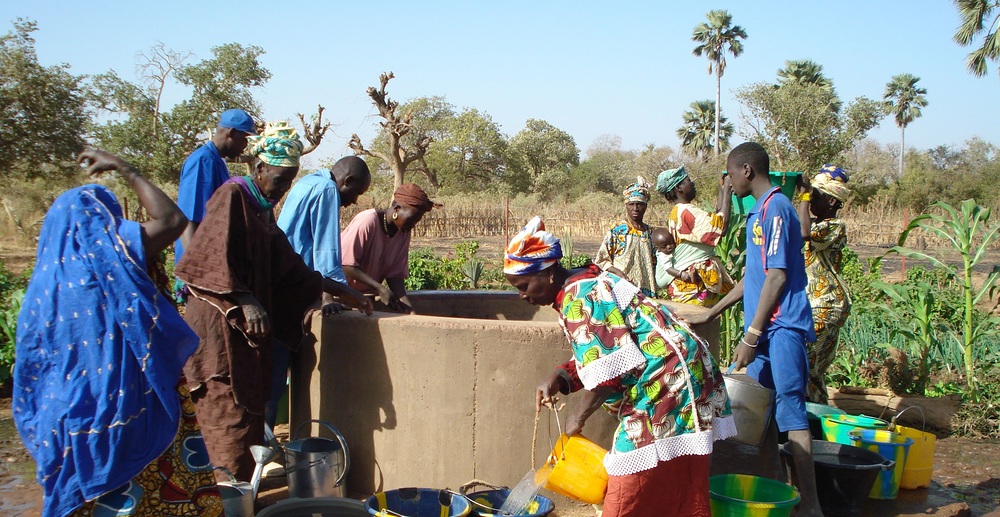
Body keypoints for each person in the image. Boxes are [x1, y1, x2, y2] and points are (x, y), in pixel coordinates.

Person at [14, 150, 222, 517]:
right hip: (132, 407)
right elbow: (173, 220)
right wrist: (126, 168)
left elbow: (34, 368)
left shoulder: (43, 289)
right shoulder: (114, 256)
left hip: (72, 420)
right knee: (151, 491)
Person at [175, 122, 373, 482]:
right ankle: (224, 491)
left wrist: (343, 290)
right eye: (279, 179)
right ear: (260, 168)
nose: (282, 190)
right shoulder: (232, 197)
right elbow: (205, 260)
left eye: (289, 182)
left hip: (245, 333)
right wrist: (245, 298)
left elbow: (291, 269)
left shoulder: (261, 210)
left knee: (247, 412)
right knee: (225, 412)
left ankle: (241, 490)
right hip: (218, 327)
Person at [507, 216, 735, 517]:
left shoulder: (579, 297)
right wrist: (560, 378)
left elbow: (609, 374)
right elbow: (611, 349)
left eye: (524, 286)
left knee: (630, 475)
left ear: (548, 273)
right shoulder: (586, 279)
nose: (522, 296)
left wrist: (578, 418)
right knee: (677, 471)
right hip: (688, 367)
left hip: (667, 377)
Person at [687, 142, 823, 517]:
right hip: (765, 330)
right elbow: (754, 277)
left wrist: (751, 336)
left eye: (730, 174)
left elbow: (777, 278)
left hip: (782, 328)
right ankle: (777, 496)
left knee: (791, 415)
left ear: (746, 170)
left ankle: (811, 506)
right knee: (763, 419)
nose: (729, 182)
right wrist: (712, 312)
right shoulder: (759, 212)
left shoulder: (776, 208)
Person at [269, 155, 373, 428]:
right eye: (356, 192)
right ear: (346, 181)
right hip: (287, 289)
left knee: (270, 376)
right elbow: (326, 249)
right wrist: (336, 294)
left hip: (278, 279)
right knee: (274, 378)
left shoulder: (309, 181)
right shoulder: (327, 190)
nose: (354, 201)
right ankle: (259, 456)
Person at [174, 109, 257, 299]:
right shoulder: (202, 161)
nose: (244, 147)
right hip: (198, 268)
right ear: (230, 133)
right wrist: (196, 271)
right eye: (244, 139)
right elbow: (189, 219)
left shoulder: (216, 161)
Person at [341, 183, 441, 313]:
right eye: (412, 219)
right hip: (339, 295)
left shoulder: (403, 231)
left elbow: (395, 275)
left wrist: (407, 308)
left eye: (417, 221)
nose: (413, 225)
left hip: (364, 297)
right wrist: (379, 288)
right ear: (397, 208)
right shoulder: (368, 220)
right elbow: (346, 265)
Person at [798, 164, 852, 404]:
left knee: (807, 366)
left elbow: (803, 233)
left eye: (815, 196)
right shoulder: (814, 222)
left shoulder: (834, 227)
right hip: (815, 303)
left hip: (826, 304)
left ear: (832, 202)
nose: (810, 201)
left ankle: (811, 424)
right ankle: (815, 424)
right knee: (810, 370)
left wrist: (802, 195)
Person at [655, 166, 735, 307]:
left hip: (689, 288)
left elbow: (714, 219)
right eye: (688, 181)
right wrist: (728, 191)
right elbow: (719, 228)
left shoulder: (679, 211)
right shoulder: (686, 212)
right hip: (692, 289)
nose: (692, 184)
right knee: (697, 326)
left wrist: (721, 189)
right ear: (679, 187)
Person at [594, 176, 657, 295]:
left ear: (645, 206)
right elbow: (601, 260)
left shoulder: (650, 233)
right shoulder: (617, 231)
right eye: (631, 204)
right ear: (626, 205)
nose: (635, 208)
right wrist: (618, 273)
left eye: (639, 204)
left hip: (647, 292)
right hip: (621, 289)